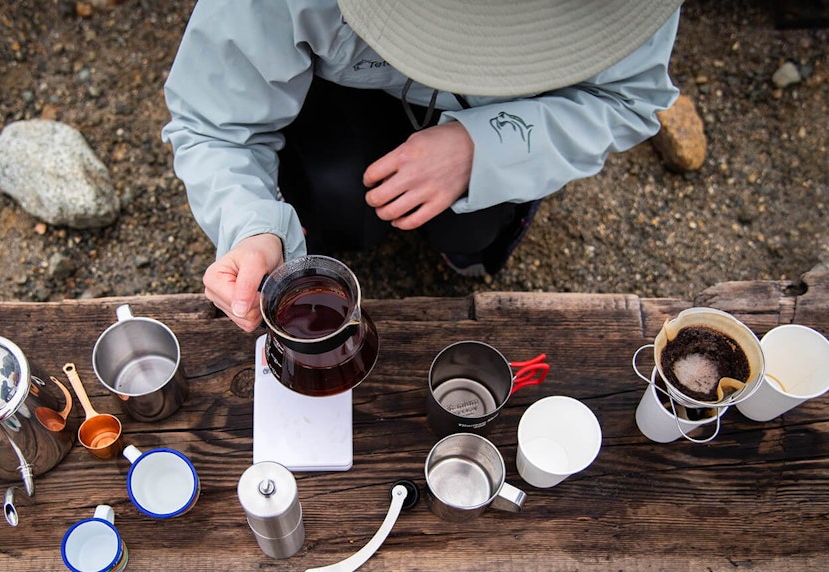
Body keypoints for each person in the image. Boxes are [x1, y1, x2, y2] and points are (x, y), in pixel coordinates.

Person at [163, 0, 683, 332]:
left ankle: (470, 242)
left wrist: (482, 151)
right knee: (337, 191)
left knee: (472, 223)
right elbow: (214, 122)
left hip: (510, 110)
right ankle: (324, 233)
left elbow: (626, 100)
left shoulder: (623, 13)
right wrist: (251, 223)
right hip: (340, 96)